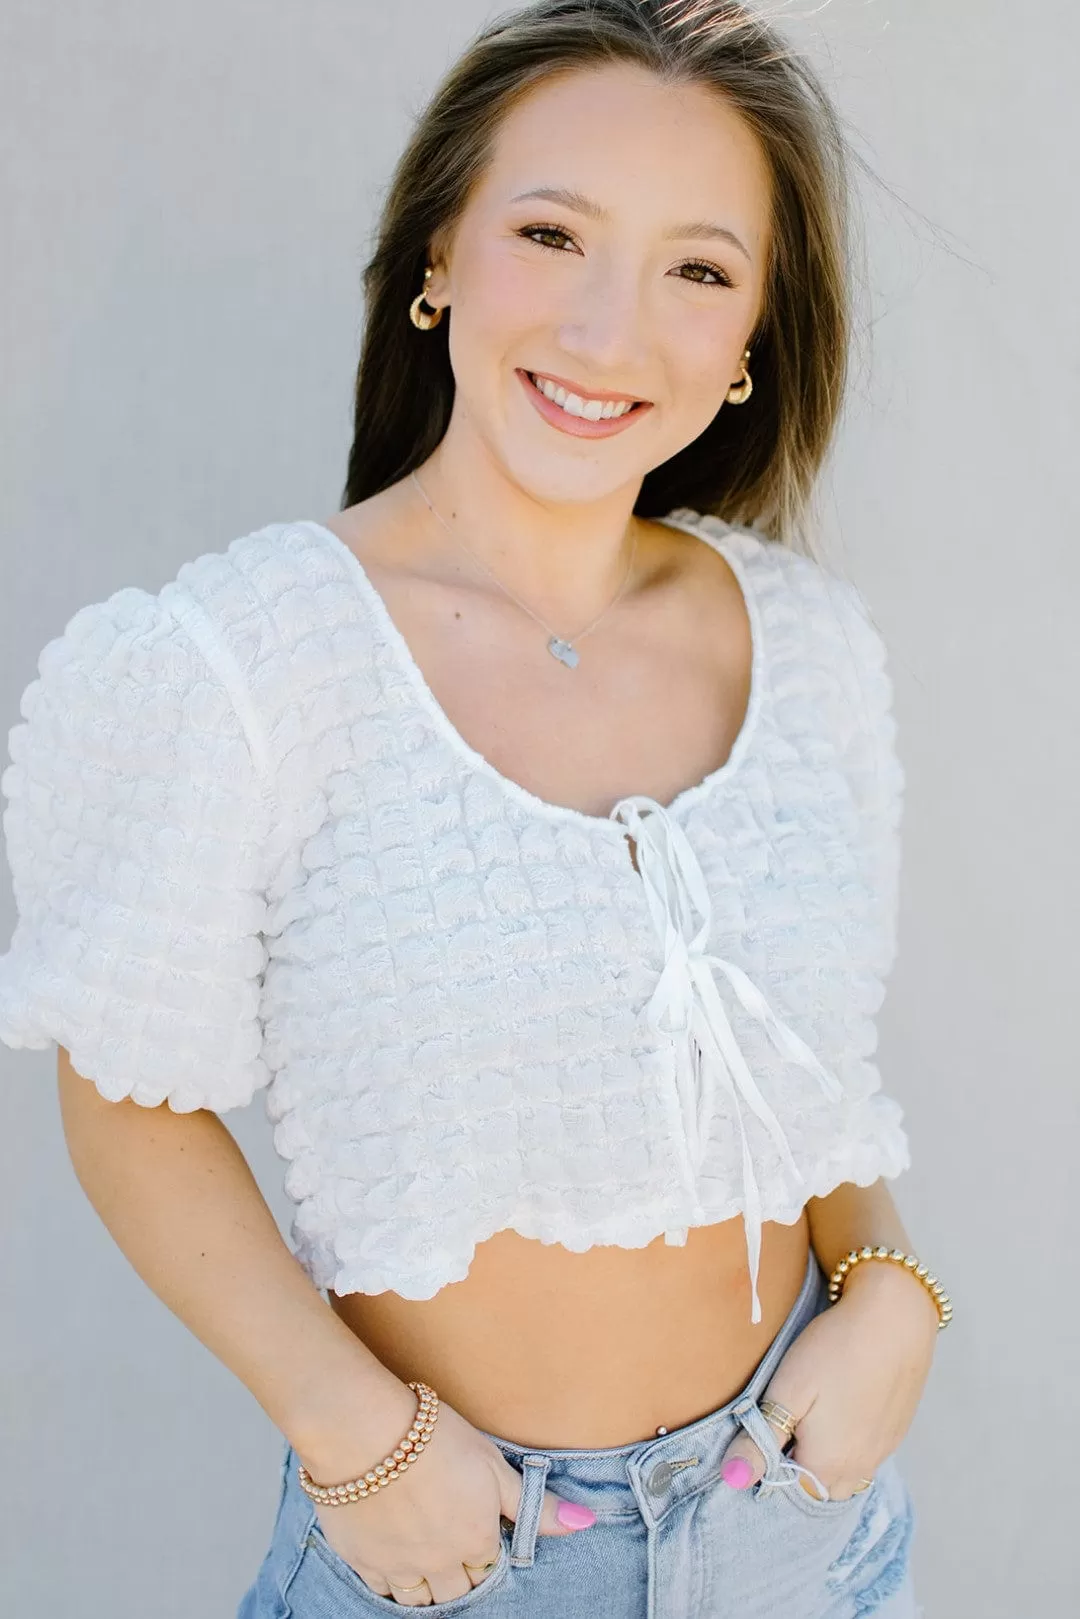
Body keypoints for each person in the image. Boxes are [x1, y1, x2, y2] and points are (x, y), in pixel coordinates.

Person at [0, 2, 951, 1614]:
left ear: (749, 348)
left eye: (698, 271)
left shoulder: (805, 646)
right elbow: (128, 1096)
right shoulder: (243, 662)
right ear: (438, 252)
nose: (609, 326)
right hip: (465, 1550)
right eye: (550, 233)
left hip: (801, 1519)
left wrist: (892, 1289)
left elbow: (795, 1074)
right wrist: (348, 1427)